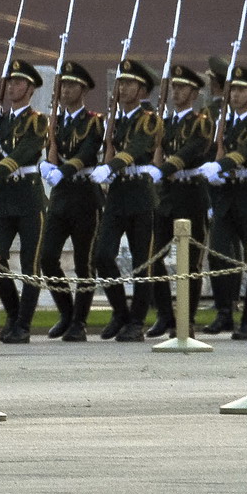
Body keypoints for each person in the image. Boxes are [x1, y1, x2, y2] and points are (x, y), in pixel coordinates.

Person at [89, 58, 164, 342]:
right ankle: (120, 311)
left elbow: (136, 148)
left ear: (142, 90)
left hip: (140, 193)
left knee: (143, 262)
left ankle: (137, 321)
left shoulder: (149, 120)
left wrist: (109, 167)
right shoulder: (114, 119)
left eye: (129, 83)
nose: (122, 87)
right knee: (102, 255)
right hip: (118, 193)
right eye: (121, 82)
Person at [199, 61, 247, 339]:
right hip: (223, 198)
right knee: (219, 256)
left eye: (243, 90)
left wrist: (222, 164)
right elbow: (207, 154)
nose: (237, 95)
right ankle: (224, 312)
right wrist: (211, 170)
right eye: (234, 90)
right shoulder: (219, 124)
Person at [0, 59, 49, 344]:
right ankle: (14, 314)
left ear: (30, 88)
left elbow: (24, 152)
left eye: (18, 82)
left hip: (29, 198)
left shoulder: (38, 121)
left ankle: (23, 325)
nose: (12, 86)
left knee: (31, 264)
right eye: (9, 82)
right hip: (5, 198)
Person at [38, 61, 104, 341]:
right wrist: (46, 165)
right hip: (61, 196)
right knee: (47, 258)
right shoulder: (54, 122)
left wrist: (62, 169)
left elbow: (88, 153)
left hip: (85, 195)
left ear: (84, 89)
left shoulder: (94, 121)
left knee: (84, 261)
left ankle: (79, 321)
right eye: (63, 85)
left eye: (72, 85)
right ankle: (66, 312)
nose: (66, 90)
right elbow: (50, 152)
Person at [147, 64, 213, 339]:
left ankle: (187, 320)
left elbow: (190, 150)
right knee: (152, 259)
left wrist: (163, 168)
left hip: (191, 193)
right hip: (167, 195)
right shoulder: (166, 122)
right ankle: (166, 315)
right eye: (174, 87)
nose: (177, 92)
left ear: (195, 93)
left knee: (191, 264)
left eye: (182, 87)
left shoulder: (202, 121)